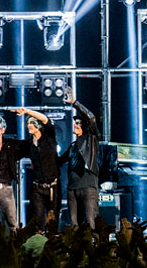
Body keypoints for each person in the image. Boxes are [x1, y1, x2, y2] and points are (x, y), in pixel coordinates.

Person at [13, 106, 60, 231]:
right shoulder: (29, 144)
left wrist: (27, 111)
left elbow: (45, 119)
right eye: (28, 123)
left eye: (32, 123)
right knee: (37, 218)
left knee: (52, 219)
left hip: (52, 187)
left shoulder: (49, 137)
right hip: (37, 187)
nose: (29, 125)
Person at [59, 88, 100, 228]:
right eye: (75, 123)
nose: (75, 125)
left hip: (88, 186)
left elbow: (91, 118)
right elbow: (58, 161)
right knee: (73, 224)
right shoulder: (72, 146)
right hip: (72, 188)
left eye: (78, 123)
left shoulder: (91, 139)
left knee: (90, 221)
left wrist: (75, 103)